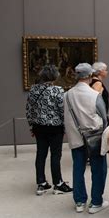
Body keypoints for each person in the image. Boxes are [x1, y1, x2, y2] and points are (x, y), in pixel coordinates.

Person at [64, 63, 109, 214]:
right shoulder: (94, 95)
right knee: (98, 169)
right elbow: (103, 116)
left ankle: (79, 201)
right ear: (90, 76)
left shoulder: (67, 95)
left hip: (75, 137)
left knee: (78, 169)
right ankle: (96, 202)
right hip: (94, 136)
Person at [26, 65, 72, 196]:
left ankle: (41, 183)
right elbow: (62, 110)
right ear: (54, 76)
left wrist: (31, 126)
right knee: (55, 155)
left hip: (38, 127)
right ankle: (58, 183)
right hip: (54, 127)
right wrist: (65, 126)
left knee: (40, 154)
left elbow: (29, 110)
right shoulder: (57, 90)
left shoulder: (33, 90)